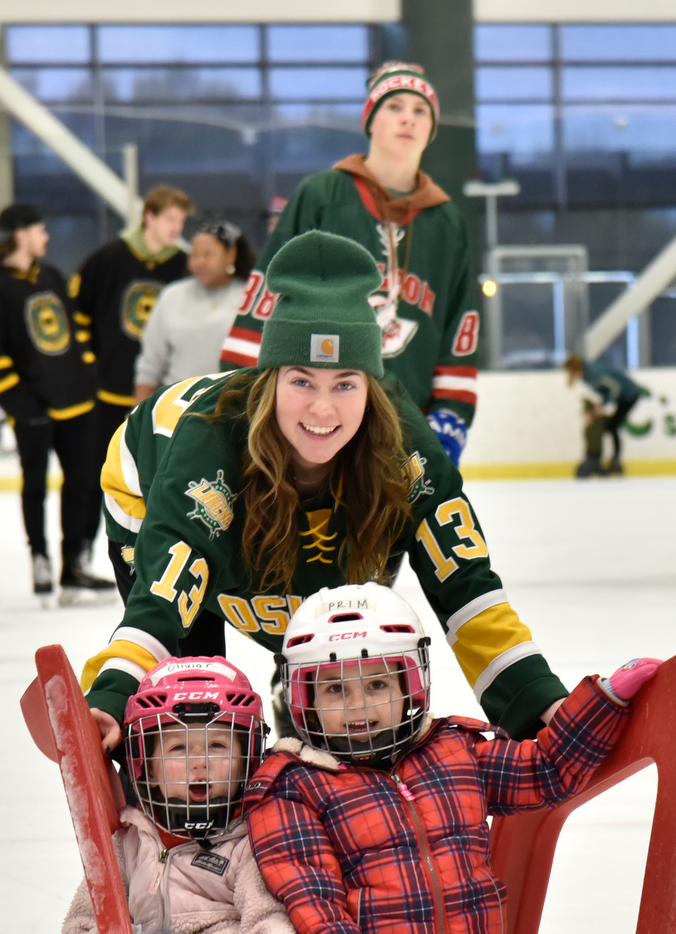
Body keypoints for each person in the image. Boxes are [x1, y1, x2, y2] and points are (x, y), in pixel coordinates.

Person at [84, 231, 569, 755]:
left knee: (349, 622)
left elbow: (466, 586)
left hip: (309, 508)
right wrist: (112, 696)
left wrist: (540, 702)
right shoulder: (210, 449)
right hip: (149, 484)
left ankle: (291, 680)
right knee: (196, 689)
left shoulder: (403, 450)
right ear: (268, 380)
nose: (321, 410)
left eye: (345, 384)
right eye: (300, 382)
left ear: (372, 388)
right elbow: (161, 601)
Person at [242, 584, 659, 934]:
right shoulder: (292, 786)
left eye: (378, 685)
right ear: (302, 697)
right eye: (335, 690)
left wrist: (604, 701)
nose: (359, 706)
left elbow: (546, 769)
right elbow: (316, 906)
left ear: (412, 684)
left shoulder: (454, 750)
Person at [55, 657, 357, 934]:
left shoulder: (251, 838)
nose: (200, 764)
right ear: (147, 764)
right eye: (178, 749)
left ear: (246, 756)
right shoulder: (127, 842)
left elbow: (270, 922)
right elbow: (81, 928)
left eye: (217, 746)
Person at [222, 63, 482, 468]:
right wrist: (239, 388)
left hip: (407, 424)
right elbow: (269, 291)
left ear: (431, 131)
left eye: (421, 111)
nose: (408, 118)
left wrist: (451, 414)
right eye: (395, 106)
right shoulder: (322, 195)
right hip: (317, 419)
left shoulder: (448, 223)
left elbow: (461, 323)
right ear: (370, 121)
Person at [0, 202, 112, 608]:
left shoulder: (51, 275)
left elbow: (74, 335)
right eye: (40, 230)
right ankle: (39, 557)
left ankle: (74, 563)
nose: (46, 238)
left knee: (84, 483)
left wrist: (88, 378)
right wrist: (19, 401)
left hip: (77, 401)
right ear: (20, 235)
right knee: (34, 484)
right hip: (33, 406)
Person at [72, 183, 193, 553]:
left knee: (160, 478)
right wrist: (90, 366)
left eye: (182, 220)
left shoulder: (183, 267)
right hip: (106, 390)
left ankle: (153, 550)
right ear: (149, 217)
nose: (177, 227)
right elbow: (76, 315)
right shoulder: (107, 259)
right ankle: (82, 551)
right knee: (97, 474)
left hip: (163, 396)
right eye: (170, 218)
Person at [133, 221, 255, 398]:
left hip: (231, 405)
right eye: (194, 254)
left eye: (208, 254)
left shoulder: (249, 299)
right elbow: (150, 362)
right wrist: (139, 414)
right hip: (176, 405)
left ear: (231, 254)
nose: (200, 262)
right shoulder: (172, 295)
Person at [564, 353, 645, 478]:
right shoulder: (586, 376)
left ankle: (615, 462)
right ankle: (604, 459)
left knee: (612, 426)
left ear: (575, 369)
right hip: (621, 396)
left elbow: (615, 387)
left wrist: (604, 405)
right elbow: (604, 390)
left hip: (629, 395)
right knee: (609, 426)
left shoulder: (595, 374)